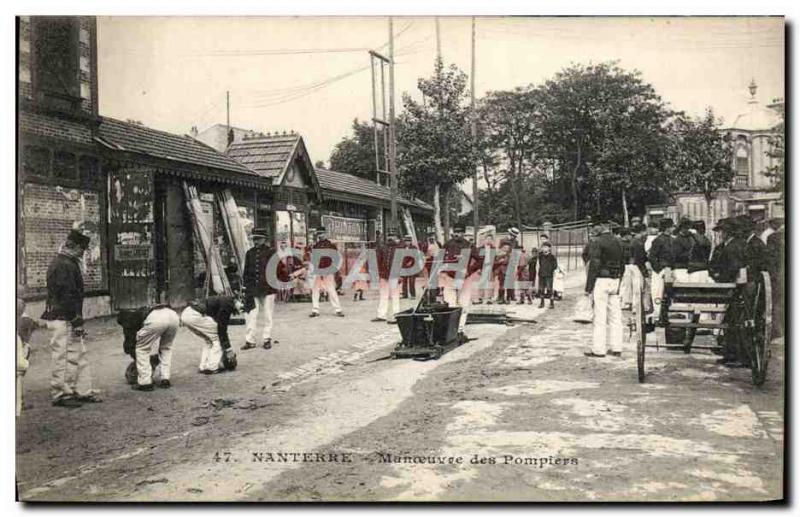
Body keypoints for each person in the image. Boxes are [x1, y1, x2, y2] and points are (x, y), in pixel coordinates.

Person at [41, 229, 102, 408]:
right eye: (82, 249)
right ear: (73, 246)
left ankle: (83, 390)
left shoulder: (66, 262)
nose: (84, 252)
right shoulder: (63, 264)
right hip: (63, 317)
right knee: (65, 355)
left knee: (79, 354)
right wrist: (75, 319)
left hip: (66, 315)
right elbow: (66, 296)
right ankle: (61, 394)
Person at [242, 228, 288, 350]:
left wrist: (285, 279)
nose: (255, 241)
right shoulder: (249, 253)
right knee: (251, 315)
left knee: (268, 315)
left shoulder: (271, 252)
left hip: (268, 288)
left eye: (258, 239)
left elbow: (280, 269)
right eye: (254, 239)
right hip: (252, 289)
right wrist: (245, 286)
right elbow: (246, 272)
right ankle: (250, 340)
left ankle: (267, 338)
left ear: (264, 239)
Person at [585, 224, 624, 358]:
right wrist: (620, 280)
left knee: (600, 316)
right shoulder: (618, 241)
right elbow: (623, 262)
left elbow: (594, 264)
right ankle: (616, 347)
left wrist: (588, 287)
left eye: (594, 227)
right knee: (615, 316)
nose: (593, 230)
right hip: (615, 279)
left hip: (601, 280)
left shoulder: (597, 242)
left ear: (600, 227)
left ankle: (598, 349)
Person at [181, 295, 241, 374]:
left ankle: (203, 366)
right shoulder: (228, 305)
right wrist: (228, 349)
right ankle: (212, 367)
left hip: (186, 313)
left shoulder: (224, 300)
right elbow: (221, 329)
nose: (235, 314)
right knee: (217, 337)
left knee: (208, 339)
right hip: (195, 315)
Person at [126, 304, 181, 391]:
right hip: (173, 315)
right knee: (166, 347)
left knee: (142, 349)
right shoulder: (139, 313)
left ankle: (145, 383)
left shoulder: (131, 321)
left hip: (156, 318)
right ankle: (165, 379)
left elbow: (132, 340)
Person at [439, 224, 480, 335]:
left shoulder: (469, 245)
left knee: (464, 304)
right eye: (455, 232)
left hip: (464, 278)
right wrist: (442, 269)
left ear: (463, 233)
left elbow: (480, 260)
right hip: (449, 278)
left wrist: (470, 270)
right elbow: (439, 259)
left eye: (460, 232)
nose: (457, 234)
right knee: (450, 304)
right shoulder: (447, 245)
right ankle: (451, 329)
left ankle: (460, 329)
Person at [308, 227, 345, 318]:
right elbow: (314, 259)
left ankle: (338, 309)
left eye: (322, 234)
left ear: (325, 234)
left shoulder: (331, 245)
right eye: (319, 234)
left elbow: (336, 259)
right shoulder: (316, 246)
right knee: (315, 290)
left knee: (331, 290)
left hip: (328, 271)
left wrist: (331, 269)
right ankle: (315, 309)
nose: (321, 235)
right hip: (318, 271)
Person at [373, 228, 403, 323]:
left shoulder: (400, 248)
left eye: (393, 236)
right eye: (389, 235)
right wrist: (380, 273)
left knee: (395, 296)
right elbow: (379, 261)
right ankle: (381, 315)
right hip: (384, 275)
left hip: (395, 275)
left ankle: (396, 316)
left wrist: (401, 275)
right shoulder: (384, 247)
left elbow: (403, 263)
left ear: (396, 237)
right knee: (383, 295)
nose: (391, 237)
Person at [647, 218, 675, 310]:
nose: (673, 229)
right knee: (657, 292)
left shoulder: (672, 239)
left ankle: (667, 312)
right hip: (660, 270)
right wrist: (659, 270)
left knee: (669, 293)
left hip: (670, 270)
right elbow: (652, 257)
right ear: (667, 228)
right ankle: (657, 313)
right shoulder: (658, 240)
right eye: (671, 227)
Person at [475, 233, 496, 304]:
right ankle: (480, 298)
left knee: (490, 283)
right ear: (485, 240)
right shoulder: (480, 249)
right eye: (487, 239)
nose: (489, 240)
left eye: (490, 239)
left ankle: (489, 298)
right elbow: (479, 260)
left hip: (491, 266)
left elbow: (495, 259)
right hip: (483, 266)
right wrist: (479, 268)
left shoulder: (493, 248)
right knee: (482, 282)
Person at [537, 243, 559, 309]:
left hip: (549, 275)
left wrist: (549, 269)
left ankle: (551, 303)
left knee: (549, 289)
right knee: (541, 289)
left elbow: (555, 266)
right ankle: (542, 303)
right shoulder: (540, 256)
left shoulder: (552, 257)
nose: (544, 249)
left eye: (546, 247)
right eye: (543, 247)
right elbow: (540, 264)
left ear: (549, 248)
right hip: (541, 275)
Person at [400, 235, 419, 299]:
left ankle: (413, 295)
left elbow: (416, 257)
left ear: (410, 241)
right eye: (406, 241)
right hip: (404, 267)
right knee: (404, 281)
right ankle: (405, 294)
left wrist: (411, 261)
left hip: (412, 267)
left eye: (408, 241)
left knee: (411, 281)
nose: (407, 242)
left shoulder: (414, 248)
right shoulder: (402, 248)